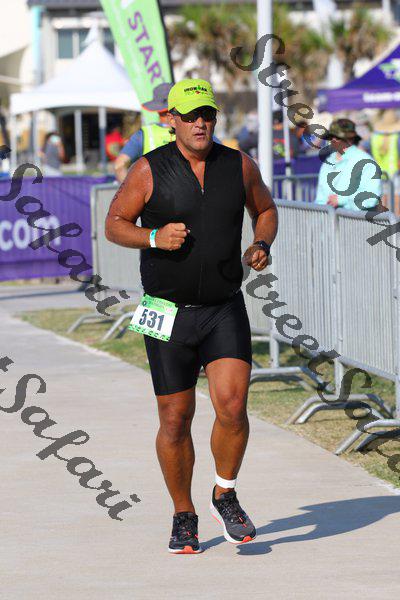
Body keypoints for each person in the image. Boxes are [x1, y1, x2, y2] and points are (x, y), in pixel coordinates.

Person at [105, 78, 278, 554]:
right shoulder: (148, 169)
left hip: (223, 306)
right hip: (165, 309)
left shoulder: (238, 165)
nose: (200, 123)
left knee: (233, 407)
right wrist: (153, 237)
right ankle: (184, 514)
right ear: (172, 120)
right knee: (175, 419)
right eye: (190, 116)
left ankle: (225, 492)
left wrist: (261, 242)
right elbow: (114, 225)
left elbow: (265, 208)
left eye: (207, 115)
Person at [315, 118, 381, 211]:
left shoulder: (366, 161)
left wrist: (341, 200)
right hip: (328, 218)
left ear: (351, 139)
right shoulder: (328, 162)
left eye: (338, 137)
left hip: (357, 219)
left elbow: (371, 197)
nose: (333, 140)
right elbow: (320, 198)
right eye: (331, 136)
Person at [114, 82, 175, 183]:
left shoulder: (144, 134)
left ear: (157, 108)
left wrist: (133, 190)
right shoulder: (194, 130)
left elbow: (119, 166)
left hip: (155, 191)